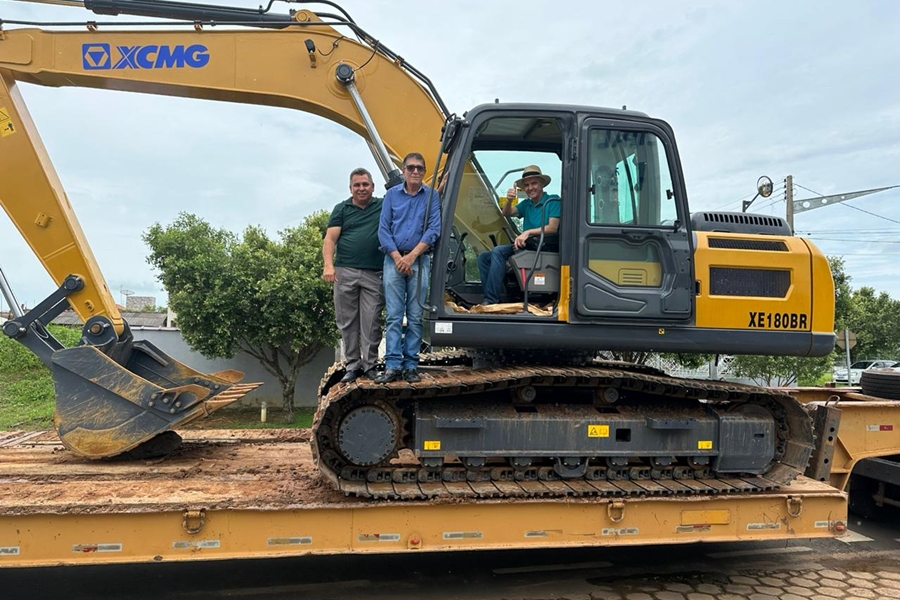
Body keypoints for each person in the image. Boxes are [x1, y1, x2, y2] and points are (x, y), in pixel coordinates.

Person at [374, 152, 441, 384]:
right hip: (393, 260)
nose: (415, 171)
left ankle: (411, 364)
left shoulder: (432, 196)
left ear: (424, 172)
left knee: (414, 316)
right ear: (403, 170)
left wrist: (411, 256)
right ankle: (392, 364)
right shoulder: (391, 196)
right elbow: (383, 230)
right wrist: (397, 257)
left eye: (419, 168)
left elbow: (434, 229)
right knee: (393, 315)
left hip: (419, 260)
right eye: (410, 167)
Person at [322, 168, 385, 383]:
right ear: (351, 188)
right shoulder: (342, 209)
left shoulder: (382, 205)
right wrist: (328, 266)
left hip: (373, 272)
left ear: (372, 186)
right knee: (347, 321)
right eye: (357, 185)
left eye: (365, 184)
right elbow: (330, 239)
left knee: (372, 321)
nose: (361, 188)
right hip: (345, 271)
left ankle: (370, 365)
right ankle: (352, 365)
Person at [476, 165, 560, 304]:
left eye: (534, 183)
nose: (530, 188)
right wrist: (509, 200)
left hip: (542, 246)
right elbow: (507, 212)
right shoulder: (527, 204)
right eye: (526, 185)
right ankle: (491, 295)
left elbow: (552, 228)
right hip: (527, 245)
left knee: (498, 251)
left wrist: (527, 232)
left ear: (542, 183)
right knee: (483, 258)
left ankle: (491, 300)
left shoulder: (552, 201)